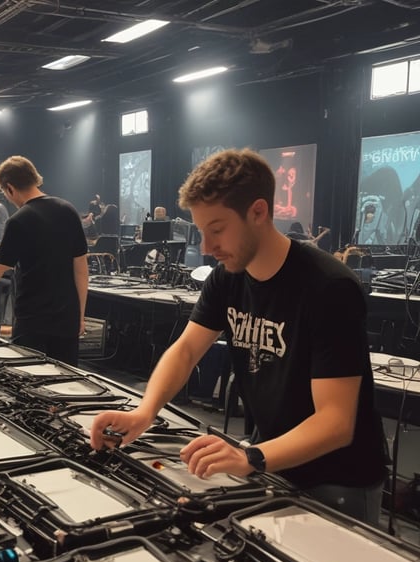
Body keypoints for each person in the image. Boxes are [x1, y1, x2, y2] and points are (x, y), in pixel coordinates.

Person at [90, 148, 386, 525]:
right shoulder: (227, 279)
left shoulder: (329, 287)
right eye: (201, 231)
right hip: (272, 462)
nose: (207, 248)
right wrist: (145, 412)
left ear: (258, 212)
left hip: (337, 481)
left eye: (217, 229)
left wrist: (252, 457)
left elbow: (335, 422)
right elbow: (185, 351)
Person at [0, 155, 88, 366]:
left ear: (9, 188)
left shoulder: (19, 220)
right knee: (67, 383)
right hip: (67, 319)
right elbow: (81, 270)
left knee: (30, 384)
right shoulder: (68, 210)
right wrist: (80, 315)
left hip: (33, 321)